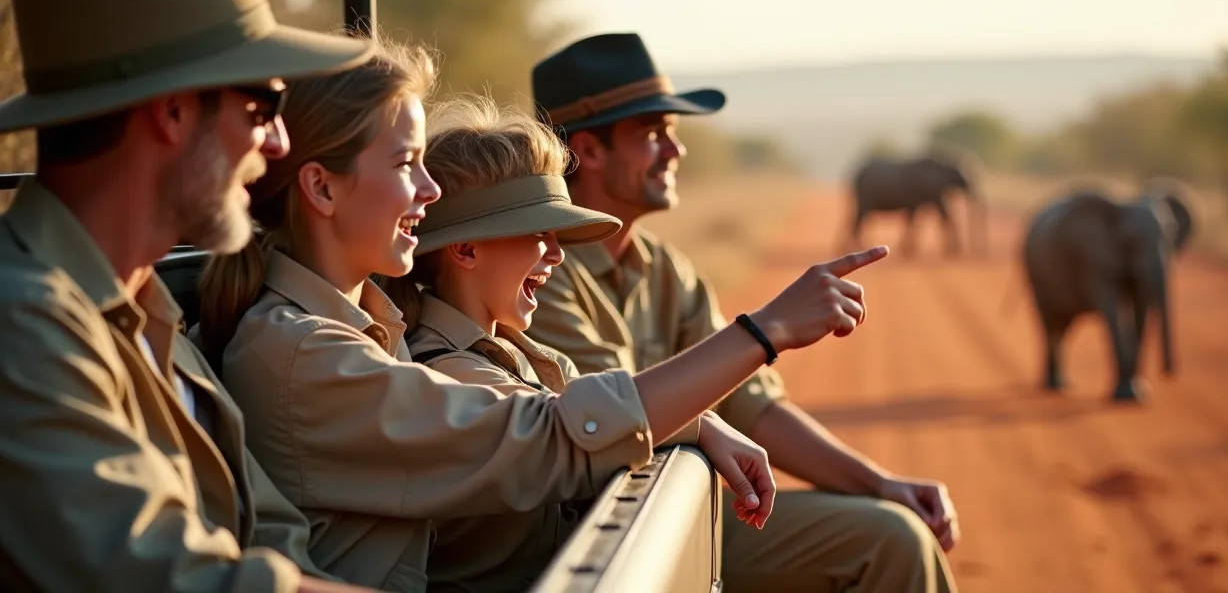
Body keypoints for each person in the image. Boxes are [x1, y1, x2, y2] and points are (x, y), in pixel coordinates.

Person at [195, 31, 888, 591]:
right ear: (321, 188)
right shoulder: (302, 351)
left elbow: (561, 403)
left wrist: (700, 421)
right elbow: (544, 435)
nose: (430, 191)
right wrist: (763, 332)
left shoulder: (375, 328)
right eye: (407, 164)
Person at [0, 0, 381, 591]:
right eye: (263, 106)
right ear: (172, 111)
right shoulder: (21, 321)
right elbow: (175, 578)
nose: (279, 144)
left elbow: (274, 538)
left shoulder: (145, 310)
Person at [525, 32, 962, 593]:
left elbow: (752, 406)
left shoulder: (664, 268)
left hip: (675, 510)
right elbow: (619, 413)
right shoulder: (539, 273)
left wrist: (880, 483)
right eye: (653, 133)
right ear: (588, 151)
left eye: (672, 133)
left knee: (896, 529)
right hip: (598, 536)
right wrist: (768, 328)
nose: (675, 151)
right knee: (890, 541)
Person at [376, 95, 785, 591]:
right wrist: (764, 335)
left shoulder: (520, 353)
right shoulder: (445, 370)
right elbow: (567, 426)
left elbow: (591, 407)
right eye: (539, 234)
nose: (556, 256)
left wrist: (704, 423)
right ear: (465, 249)